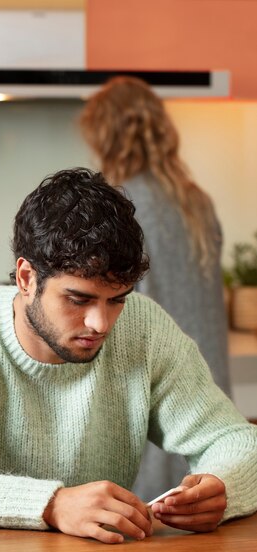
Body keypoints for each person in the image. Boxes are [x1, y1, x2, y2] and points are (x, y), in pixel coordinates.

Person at [0, 168, 257, 545]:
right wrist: (50, 504)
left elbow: (235, 441)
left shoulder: (145, 329)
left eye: (116, 299)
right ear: (26, 278)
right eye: (78, 299)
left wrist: (224, 486)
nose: (101, 323)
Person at [80, 76, 231, 501]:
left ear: (104, 134)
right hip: (208, 381)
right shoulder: (194, 199)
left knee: (141, 519)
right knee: (197, 510)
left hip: (149, 376)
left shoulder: (118, 204)